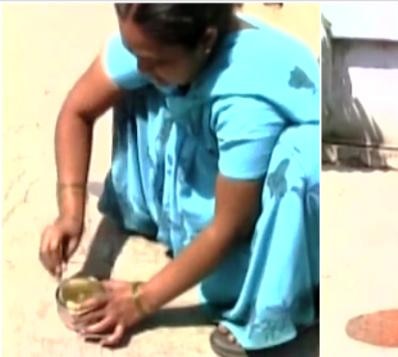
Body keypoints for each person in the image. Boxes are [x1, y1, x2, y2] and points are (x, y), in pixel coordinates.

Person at [38, 4, 319, 356]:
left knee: (297, 167)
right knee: (142, 84)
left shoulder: (245, 100)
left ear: (207, 41)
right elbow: (77, 112)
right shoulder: (156, 37)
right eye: (134, 52)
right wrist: (70, 212)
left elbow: (227, 228)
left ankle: (288, 298)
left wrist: (141, 300)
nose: (141, 64)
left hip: (282, 179)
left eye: (154, 58)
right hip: (213, 138)